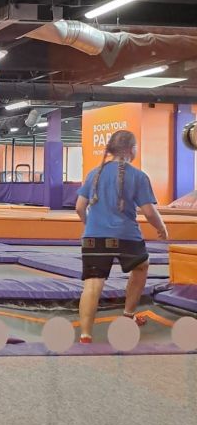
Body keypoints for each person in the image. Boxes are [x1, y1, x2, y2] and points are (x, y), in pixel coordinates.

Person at [75, 129, 168, 345]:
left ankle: (85, 335)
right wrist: (161, 227)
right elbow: (149, 212)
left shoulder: (94, 173)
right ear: (131, 150)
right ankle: (128, 315)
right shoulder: (138, 176)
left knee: (93, 283)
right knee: (142, 266)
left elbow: (79, 207)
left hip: (94, 237)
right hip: (126, 236)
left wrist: (90, 225)